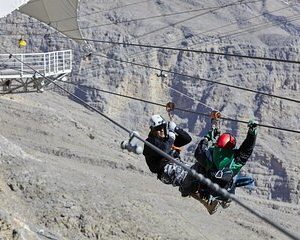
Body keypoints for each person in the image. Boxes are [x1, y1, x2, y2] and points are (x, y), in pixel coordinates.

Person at [193, 120, 258, 211]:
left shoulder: (209, 155)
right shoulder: (235, 161)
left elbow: (199, 151)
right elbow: (247, 149)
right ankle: (225, 201)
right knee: (233, 181)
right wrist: (252, 132)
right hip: (225, 194)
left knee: (197, 168)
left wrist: (207, 138)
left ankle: (205, 200)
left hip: (207, 191)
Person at [142, 114, 193, 191]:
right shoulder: (150, 142)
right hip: (165, 171)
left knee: (196, 172)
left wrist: (176, 128)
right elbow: (164, 150)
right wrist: (171, 137)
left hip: (177, 165)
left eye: (163, 127)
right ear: (153, 130)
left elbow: (187, 139)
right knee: (188, 176)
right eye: (158, 128)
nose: (162, 130)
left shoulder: (167, 139)